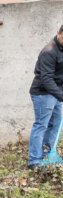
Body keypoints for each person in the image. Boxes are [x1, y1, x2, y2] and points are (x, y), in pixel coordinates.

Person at [27, 24, 63, 168]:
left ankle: (49, 154)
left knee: (55, 124)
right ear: (58, 33)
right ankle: (34, 160)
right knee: (41, 125)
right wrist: (61, 95)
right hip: (43, 93)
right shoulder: (49, 51)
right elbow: (46, 78)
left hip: (57, 93)